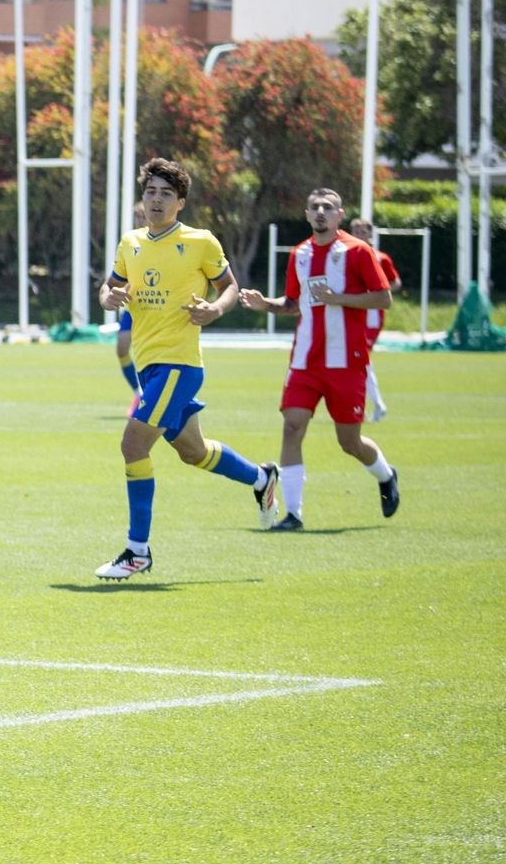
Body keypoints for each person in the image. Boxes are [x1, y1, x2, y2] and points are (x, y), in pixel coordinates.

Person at [95, 157, 280, 579]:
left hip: (179, 366)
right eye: (150, 192)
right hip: (151, 366)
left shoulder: (200, 242)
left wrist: (215, 308)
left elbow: (229, 286)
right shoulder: (131, 243)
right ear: (142, 200)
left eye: (165, 194)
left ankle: (137, 551)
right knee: (193, 452)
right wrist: (108, 295)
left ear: (180, 203)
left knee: (133, 446)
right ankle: (261, 478)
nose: (156, 200)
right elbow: (112, 284)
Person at [239, 190, 400, 530]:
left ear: (340, 215)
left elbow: (384, 298)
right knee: (292, 428)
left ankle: (386, 475)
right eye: (315, 207)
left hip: (346, 362)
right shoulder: (299, 253)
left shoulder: (358, 251)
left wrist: (338, 298)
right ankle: (293, 514)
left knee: (349, 442)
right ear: (307, 214)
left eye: (328, 207)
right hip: (305, 361)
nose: (321, 212)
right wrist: (263, 303)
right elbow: (294, 304)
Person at [349, 217, 401, 422]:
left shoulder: (380, 257)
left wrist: (378, 289)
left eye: (363, 231)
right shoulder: (344, 255)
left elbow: (395, 282)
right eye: (356, 230)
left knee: (362, 360)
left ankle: (376, 404)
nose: (360, 234)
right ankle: (364, 404)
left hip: (371, 316)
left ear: (370, 234)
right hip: (351, 313)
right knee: (357, 361)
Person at [111, 200, 148, 413]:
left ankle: (151, 395)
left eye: (142, 217)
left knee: (149, 353)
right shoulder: (131, 244)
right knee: (122, 348)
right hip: (132, 307)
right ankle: (138, 393)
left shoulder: (163, 243)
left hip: (154, 308)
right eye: (137, 218)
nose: (140, 221)